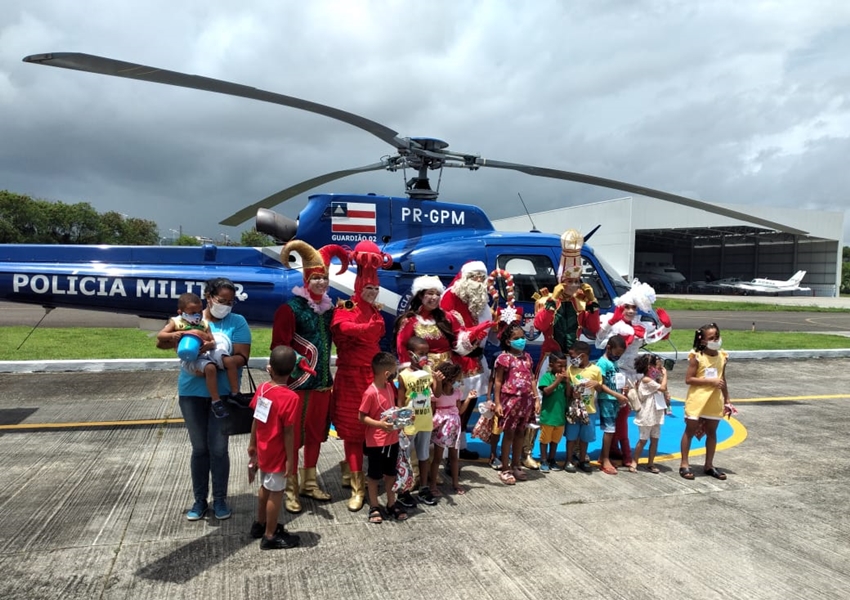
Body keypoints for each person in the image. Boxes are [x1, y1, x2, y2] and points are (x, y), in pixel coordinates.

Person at [157, 277, 251, 521]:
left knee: (219, 449)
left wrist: (221, 361)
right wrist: (177, 339)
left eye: (231, 302)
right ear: (208, 297)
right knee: (199, 449)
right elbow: (161, 344)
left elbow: (242, 356)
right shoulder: (191, 318)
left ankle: (220, 500)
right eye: (222, 300)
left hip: (221, 395)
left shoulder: (238, 322)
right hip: (191, 393)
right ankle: (200, 501)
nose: (226, 306)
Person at [272, 239, 348, 513]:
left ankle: (309, 482)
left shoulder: (329, 311)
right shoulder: (290, 309)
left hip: (322, 385)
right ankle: (290, 488)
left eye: (324, 279)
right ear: (306, 279)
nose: (321, 283)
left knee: (316, 435)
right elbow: (278, 347)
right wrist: (300, 362)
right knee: (292, 437)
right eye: (316, 278)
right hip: (296, 386)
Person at [330, 240, 392, 512]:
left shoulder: (376, 310)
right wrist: (367, 327)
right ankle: (357, 489)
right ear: (358, 287)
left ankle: (374, 480)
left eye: (376, 288)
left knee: (377, 431)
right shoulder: (345, 307)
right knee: (353, 433)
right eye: (368, 287)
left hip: (374, 376)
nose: (373, 291)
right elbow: (343, 329)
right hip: (351, 377)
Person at [532, 229, 601, 470]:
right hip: (551, 360)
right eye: (568, 281)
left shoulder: (582, 303)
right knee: (542, 403)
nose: (573, 285)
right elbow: (539, 325)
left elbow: (593, 329)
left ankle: (574, 453)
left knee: (574, 405)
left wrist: (592, 302)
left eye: (576, 281)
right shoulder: (546, 300)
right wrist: (553, 299)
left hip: (573, 363)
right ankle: (533, 453)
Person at [595, 280, 672, 471]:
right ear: (621, 306)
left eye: (634, 307)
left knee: (624, 414)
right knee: (619, 415)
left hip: (633, 375)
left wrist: (666, 326)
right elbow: (598, 343)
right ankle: (625, 453)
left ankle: (614, 449)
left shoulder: (641, 325)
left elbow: (656, 337)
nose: (630, 311)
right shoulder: (612, 322)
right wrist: (612, 324)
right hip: (615, 374)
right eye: (627, 307)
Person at [247, 346, 302, 550]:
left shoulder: (263, 388)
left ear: (270, 368)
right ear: (292, 371)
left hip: (263, 448)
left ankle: (260, 524)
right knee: (276, 492)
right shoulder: (291, 398)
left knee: (265, 487)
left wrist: (252, 443)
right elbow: (288, 432)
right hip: (278, 452)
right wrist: (290, 459)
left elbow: (256, 418)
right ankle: (270, 535)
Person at [157, 292, 243, 419]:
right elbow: (160, 336)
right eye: (192, 313)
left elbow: (212, 340)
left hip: (204, 352)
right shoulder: (176, 322)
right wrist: (173, 335)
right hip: (190, 356)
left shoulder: (203, 324)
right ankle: (216, 401)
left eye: (199, 312)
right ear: (181, 312)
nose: (197, 315)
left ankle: (236, 393)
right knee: (210, 369)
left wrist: (209, 344)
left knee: (229, 362)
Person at [440, 260, 494, 460]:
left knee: (469, 403)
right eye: (474, 277)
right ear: (464, 278)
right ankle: (446, 450)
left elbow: (488, 329)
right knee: (453, 406)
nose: (478, 281)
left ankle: (460, 446)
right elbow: (446, 329)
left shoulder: (482, 299)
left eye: (482, 277)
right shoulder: (450, 296)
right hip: (457, 360)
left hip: (476, 360)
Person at [359, 351, 408, 524]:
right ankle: (374, 505)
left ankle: (391, 503)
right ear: (387, 373)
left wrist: (404, 418)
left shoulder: (388, 387)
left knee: (391, 474)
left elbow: (391, 410)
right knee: (374, 475)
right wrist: (380, 425)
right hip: (376, 443)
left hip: (392, 440)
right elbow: (362, 416)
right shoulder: (370, 393)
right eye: (394, 371)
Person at [680, 323, 733, 481]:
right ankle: (684, 463)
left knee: (712, 433)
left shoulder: (722, 356)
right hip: (697, 400)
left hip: (714, 400)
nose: (715, 340)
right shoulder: (697, 356)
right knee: (689, 431)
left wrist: (727, 400)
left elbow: (722, 379)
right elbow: (689, 379)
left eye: (717, 337)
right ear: (703, 340)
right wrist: (710, 382)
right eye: (711, 338)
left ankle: (709, 464)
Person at [493, 322, 540, 485]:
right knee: (509, 434)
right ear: (508, 341)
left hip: (525, 401)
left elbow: (532, 378)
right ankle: (505, 468)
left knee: (521, 432)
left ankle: (516, 465)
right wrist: (497, 402)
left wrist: (536, 398)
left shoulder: (527, 357)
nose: (521, 341)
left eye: (522, 337)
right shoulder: (503, 359)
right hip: (510, 401)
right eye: (516, 338)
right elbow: (498, 381)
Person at [397, 336, 441, 506]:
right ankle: (404, 490)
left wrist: (437, 381)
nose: (425, 356)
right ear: (411, 354)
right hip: (409, 423)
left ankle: (423, 488)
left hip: (425, 421)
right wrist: (401, 423)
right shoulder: (404, 375)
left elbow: (436, 395)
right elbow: (401, 401)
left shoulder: (429, 371)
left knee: (423, 456)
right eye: (421, 353)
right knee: (405, 458)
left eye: (426, 353)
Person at [429, 361, 477, 496]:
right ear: (449, 380)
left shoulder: (457, 393)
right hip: (442, 428)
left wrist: (468, 399)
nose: (458, 382)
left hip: (454, 428)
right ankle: (432, 485)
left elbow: (460, 410)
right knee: (437, 458)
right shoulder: (437, 395)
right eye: (456, 380)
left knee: (454, 457)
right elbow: (433, 410)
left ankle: (455, 483)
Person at [565, 341, 603, 473]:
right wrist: (571, 392)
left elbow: (600, 388)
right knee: (571, 436)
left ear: (582, 355)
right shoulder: (570, 369)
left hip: (589, 409)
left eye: (573, 356)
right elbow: (568, 390)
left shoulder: (596, 370)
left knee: (585, 437)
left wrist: (596, 384)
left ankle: (582, 459)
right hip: (574, 408)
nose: (571, 359)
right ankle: (569, 460)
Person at [595, 335, 630, 475]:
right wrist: (616, 395)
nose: (618, 356)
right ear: (608, 348)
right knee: (609, 430)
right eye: (616, 353)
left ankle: (603, 456)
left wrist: (622, 390)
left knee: (612, 429)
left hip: (615, 399)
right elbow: (600, 384)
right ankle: (605, 459)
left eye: (620, 355)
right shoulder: (602, 363)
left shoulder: (613, 363)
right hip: (607, 399)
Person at [631, 354, 668, 474]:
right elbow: (662, 388)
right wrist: (665, 374)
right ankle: (634, 461)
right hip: (647, 413)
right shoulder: (646, 380)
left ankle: (651, 462)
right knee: (643, 440)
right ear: (649, 366)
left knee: (655, 439)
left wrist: (660, 374)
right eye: (653, 365)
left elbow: (663, 386)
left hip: (655, 412)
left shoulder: (652, 379)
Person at [537, 350, 569, 473]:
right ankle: (543, 459)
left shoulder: (565, 380)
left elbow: (568, 394)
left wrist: (567, 383)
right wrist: (557, 381)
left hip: (560, 416)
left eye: (564, 366)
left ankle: (552, 459)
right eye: (559, 365)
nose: (562, 368)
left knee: (555, 440)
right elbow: (546, 391)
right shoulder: (547, 377)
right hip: (548, 416)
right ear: (551, 365)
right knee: (545, 440)